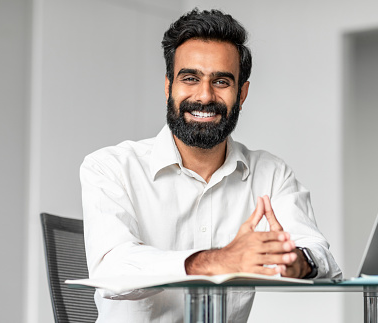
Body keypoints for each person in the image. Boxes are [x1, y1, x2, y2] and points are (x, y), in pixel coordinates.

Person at [80, 8, 342, 323]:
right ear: (168, 87)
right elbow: (112, 267)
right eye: (190, 78)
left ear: (241, 93)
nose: (204, 96)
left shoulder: (271, 174)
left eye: (221, 81)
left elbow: (320, 255)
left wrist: (295, 261)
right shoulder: (110, 167)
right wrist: (220, 261)